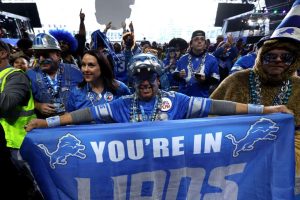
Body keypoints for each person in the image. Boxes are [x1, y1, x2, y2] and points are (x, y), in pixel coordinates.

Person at [25, 53, 292, 131]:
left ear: (158, 79)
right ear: (133, 80)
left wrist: (267, 109)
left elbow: (220, 107)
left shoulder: (178, 101)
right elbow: (82, 115)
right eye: (139, 78)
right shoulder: (121, 104)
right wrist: (44, 122)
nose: (145, 83)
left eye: (150, 78)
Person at [210, 1, 300, 197]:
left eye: (285, 57)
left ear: (294, 62)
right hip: (235, 166)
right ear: (259, 58)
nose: (278, 60)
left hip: (286, 170)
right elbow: (209, 119)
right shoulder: (237, 80)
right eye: (270, 56)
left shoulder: (299, 87)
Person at [0, 40, 42, 199]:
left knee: (37, 186)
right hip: (7, 144)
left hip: (21, 143)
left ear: (3, 53)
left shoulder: (16, 76)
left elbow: (6, 104)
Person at [26, 33, 83, 119]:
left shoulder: (74, 71)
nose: (41, 59)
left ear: (58, 55)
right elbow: (24, 100)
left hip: (72, 124)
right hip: (45, 126)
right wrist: (38, 105)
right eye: (37, 55)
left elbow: (86, 94)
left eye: (45, 55)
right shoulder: (30, 74)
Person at [174, 30, 220, 97]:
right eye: (196, 39)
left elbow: (216, 79)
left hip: (202, 98)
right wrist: (179, 75)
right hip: (183, 98)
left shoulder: (212, 59)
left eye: (202, 39)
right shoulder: (182, 59)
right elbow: (175, 75)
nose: (199, 41)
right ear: (191, 44)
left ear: (205, 44)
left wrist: (205, 80)